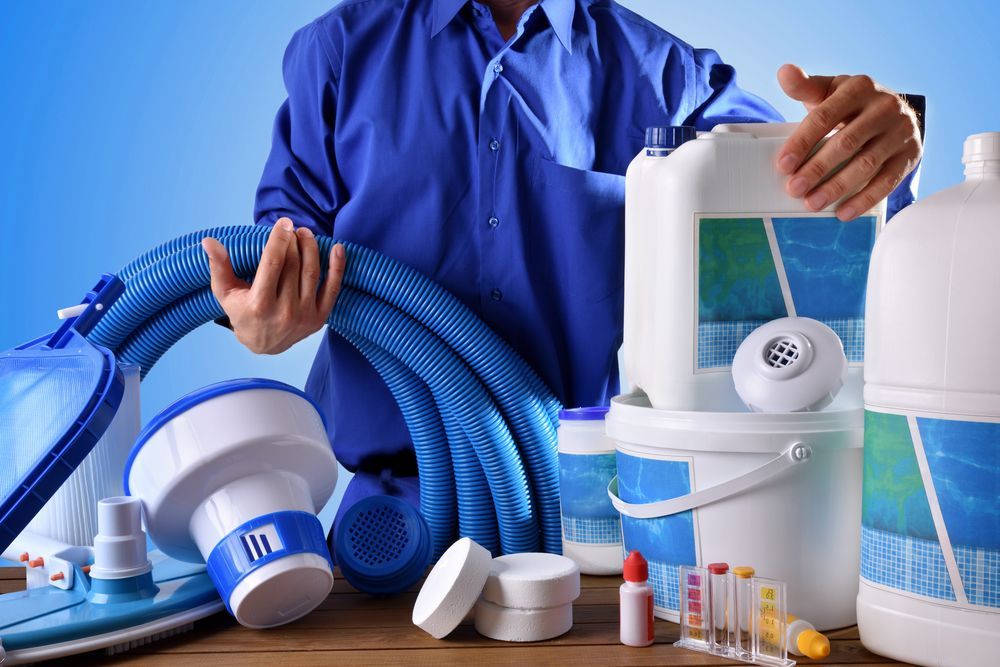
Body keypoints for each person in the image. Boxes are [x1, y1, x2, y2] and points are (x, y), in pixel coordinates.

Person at [201, 0, 922, 527]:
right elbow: (277, 257)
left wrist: (870, 147)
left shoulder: (668, 76)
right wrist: (264, 313)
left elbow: (801, 192)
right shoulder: (338, 52)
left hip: (589, 512)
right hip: (392, 525)